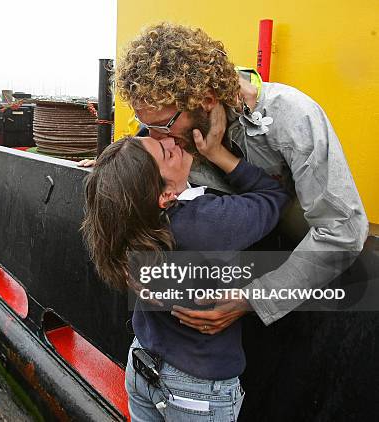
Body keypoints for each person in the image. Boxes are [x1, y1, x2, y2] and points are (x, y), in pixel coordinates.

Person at [109, 22, 368, 331]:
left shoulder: (292, 119)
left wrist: (254, 299)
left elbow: (343, 232)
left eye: (163, 125)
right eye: (143, 121)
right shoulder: (170, 122)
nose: (154, 138)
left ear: (205, 100)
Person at [82, 105, 290, 421]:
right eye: (166, 153)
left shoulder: (130, 221)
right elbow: (273, 196)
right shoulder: (204, 222)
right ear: (165, 195)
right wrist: (219, 154)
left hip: (143, 363)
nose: (172, 141)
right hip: (197, 390)